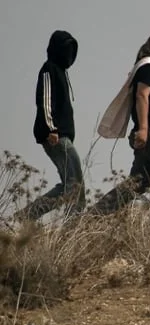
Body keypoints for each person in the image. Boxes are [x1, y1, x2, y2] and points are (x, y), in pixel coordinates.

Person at [91, 27, 150, 215]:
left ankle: (93, 216)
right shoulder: (149, 66)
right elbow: (142, 95)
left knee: (137, 183)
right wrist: (143, 129)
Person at [17, 30, 86, 221]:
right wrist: (51, 129)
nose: (69, 54)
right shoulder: (49, 69)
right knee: (74, 183)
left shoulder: (61, 71)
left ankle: (29, 215)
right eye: (66, 49)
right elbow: (45, 100)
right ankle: (73, 225)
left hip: (62, 135)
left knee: (70, 185)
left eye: (72, 49)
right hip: (55, 135)